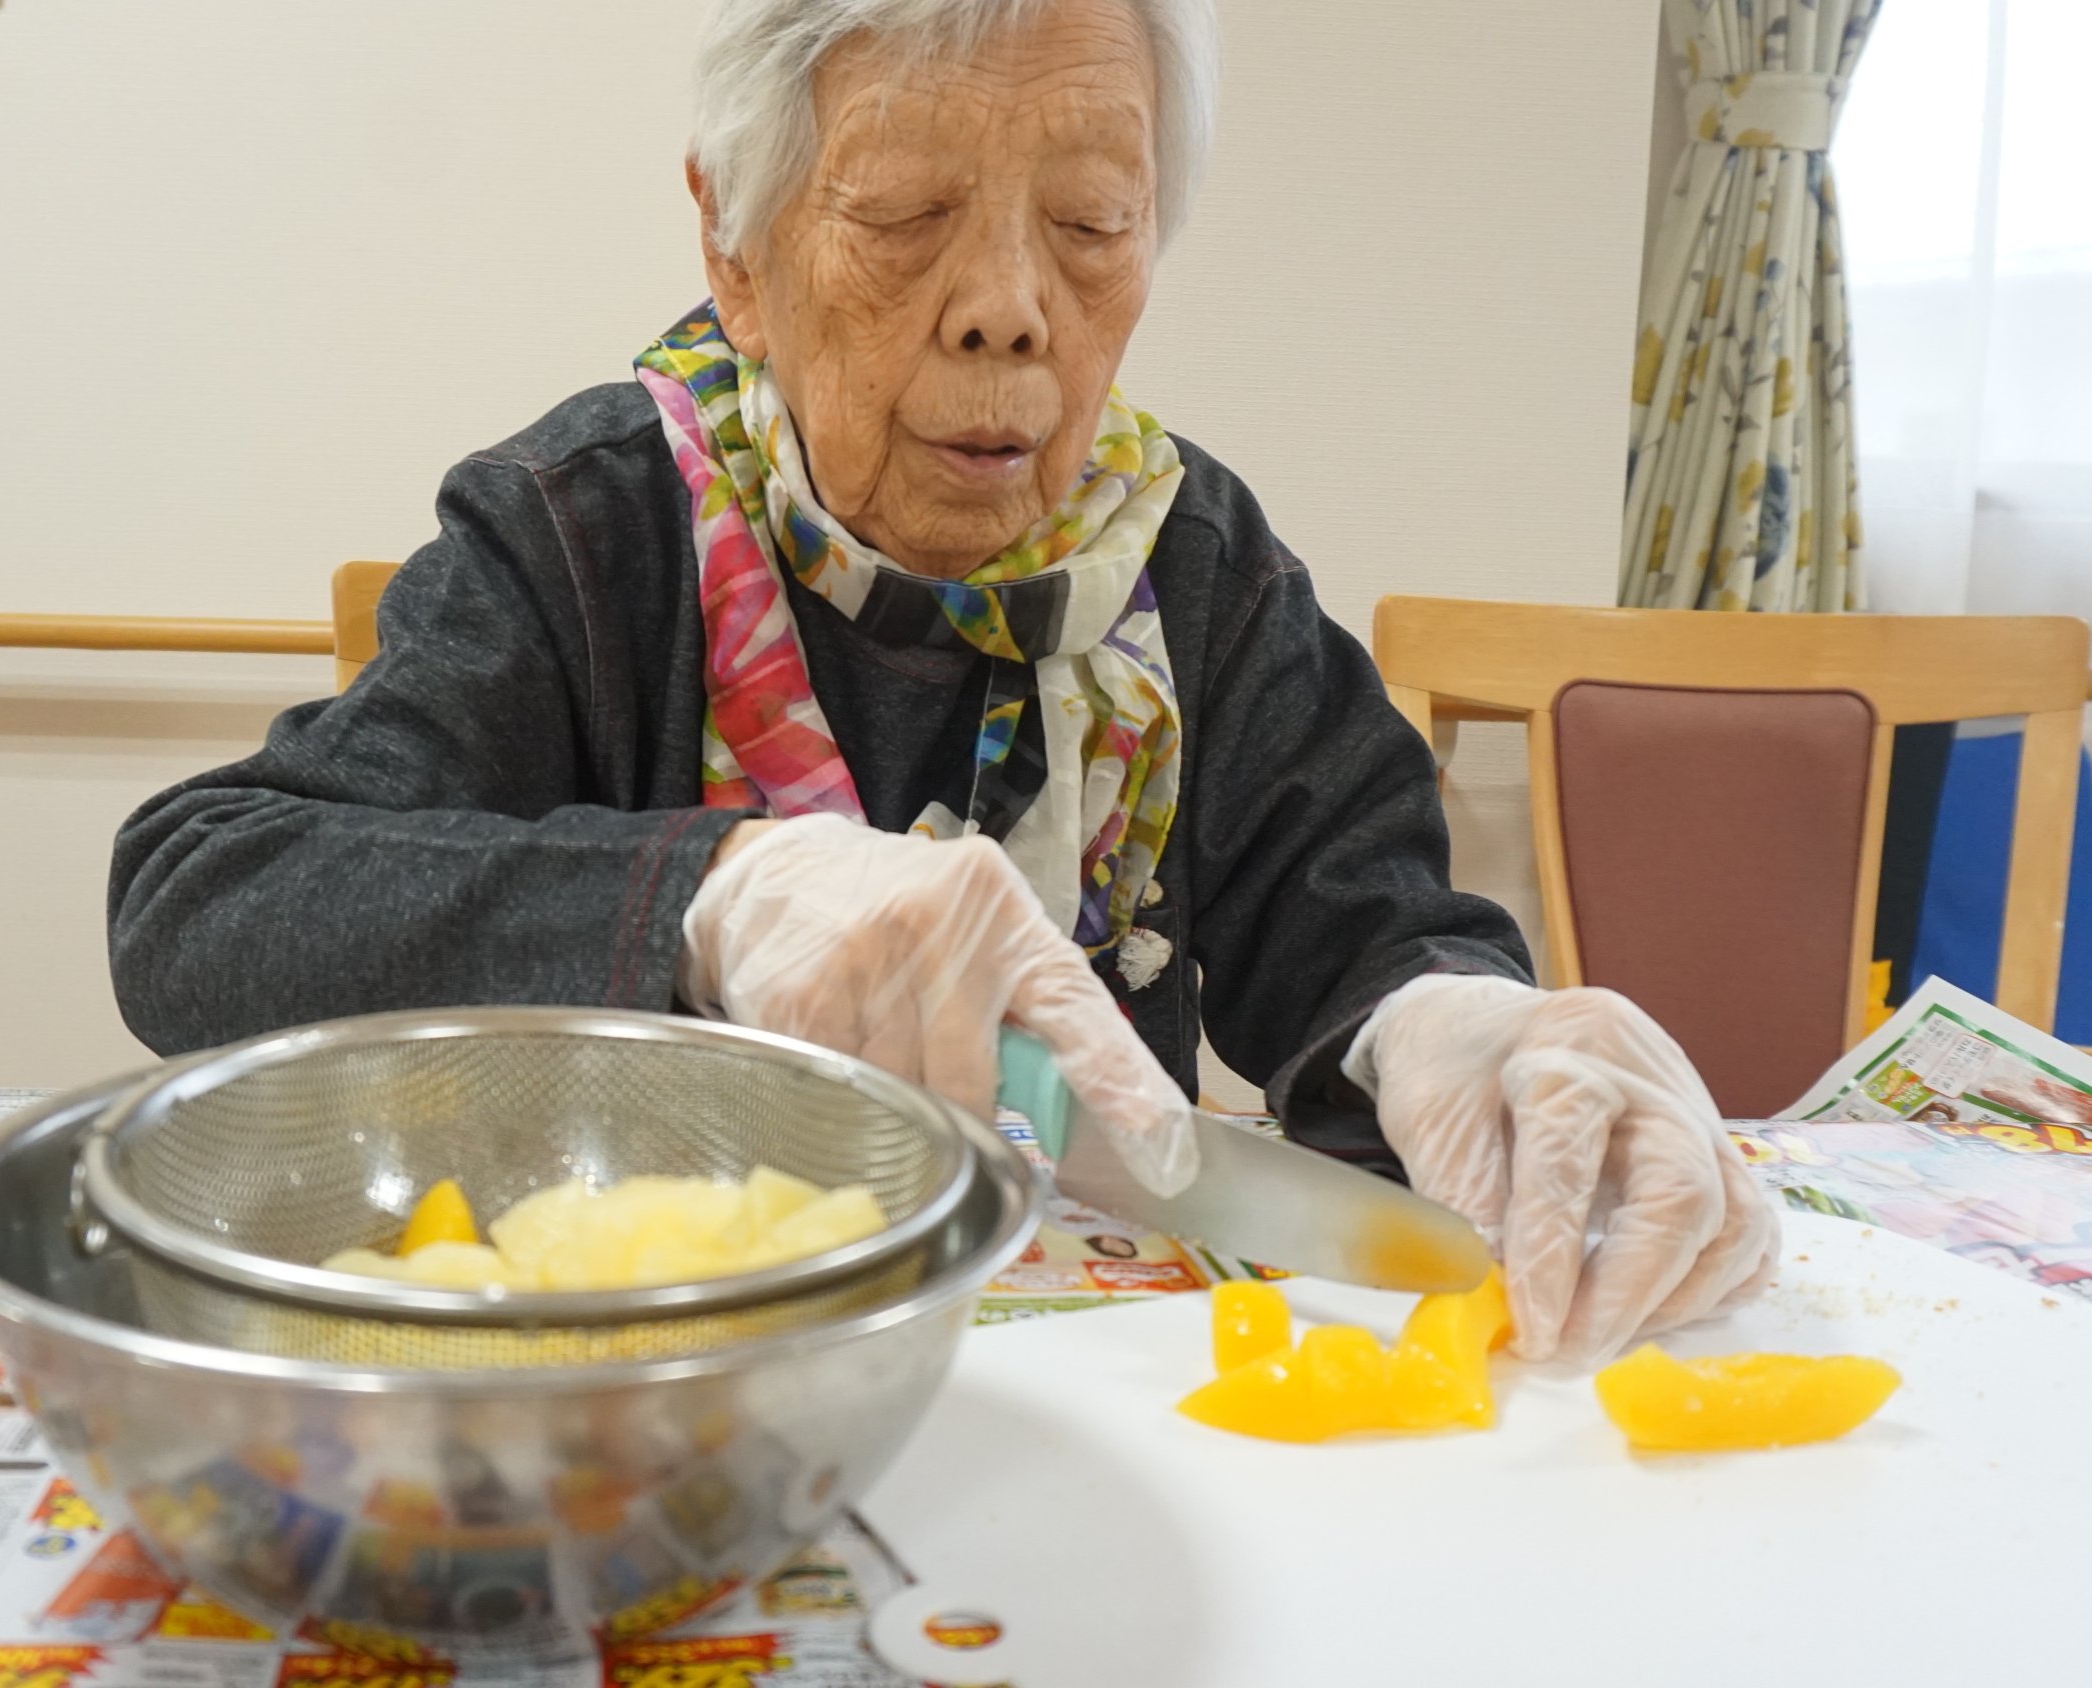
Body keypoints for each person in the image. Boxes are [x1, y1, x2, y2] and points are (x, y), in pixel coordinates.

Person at [107, 0, 1775, 1367]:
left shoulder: (1187, 564)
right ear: (737, 249)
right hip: (663, 1382)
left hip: (1103, 1402)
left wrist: (1460, 1024)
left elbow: (1364, 926)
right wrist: (714, 896)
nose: (1007, 313)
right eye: (906, 217)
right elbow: (204, 900)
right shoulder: (587, 530)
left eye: (1091, 226)